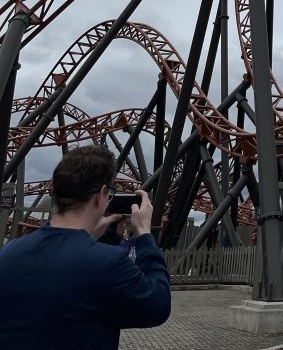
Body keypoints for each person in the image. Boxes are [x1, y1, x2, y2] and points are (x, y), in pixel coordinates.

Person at [0, 143, 171, 349]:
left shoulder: (8, 252)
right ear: (102, 194)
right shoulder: (107, 263)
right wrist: (144, 232)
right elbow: (158, 305)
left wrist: (89, 237)